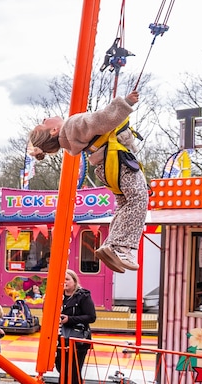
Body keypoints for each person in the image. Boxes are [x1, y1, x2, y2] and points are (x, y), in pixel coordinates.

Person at [28, 90, 147, 273]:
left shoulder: (71, 139)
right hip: (118, 161)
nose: (46, 117)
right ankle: (123, 247)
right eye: (44, 122)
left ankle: (113, 244)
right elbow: (101, 119)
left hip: (107, 166)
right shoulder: (72, 125)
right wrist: (125, 103)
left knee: (125, 204)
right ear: (53, 130)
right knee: (138, 199)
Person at [56, 269, 97, 384]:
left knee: (74, 370)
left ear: (74, 281)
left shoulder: (83, 296)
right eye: (62, 280)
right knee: (61, 369)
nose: (64, 282)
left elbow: (91, 317)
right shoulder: (57, 295)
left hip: (78, 340)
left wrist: (69, 319)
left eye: (67, 279)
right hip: (60, 338)